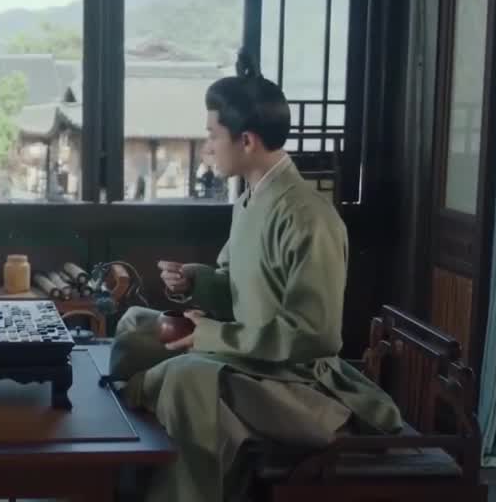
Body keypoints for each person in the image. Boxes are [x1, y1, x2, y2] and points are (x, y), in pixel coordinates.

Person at [108, 74, 402, 502]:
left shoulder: (308, 217)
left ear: (246, 140)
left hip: (293, 380)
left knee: (185, 377)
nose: (208, 147)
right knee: (137, 326)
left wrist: (209, 336)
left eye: (213, 136)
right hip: (251, 355)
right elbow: (237, 287)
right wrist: (196, 280)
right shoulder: (251, 199)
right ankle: (120, 459)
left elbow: (313, 336)